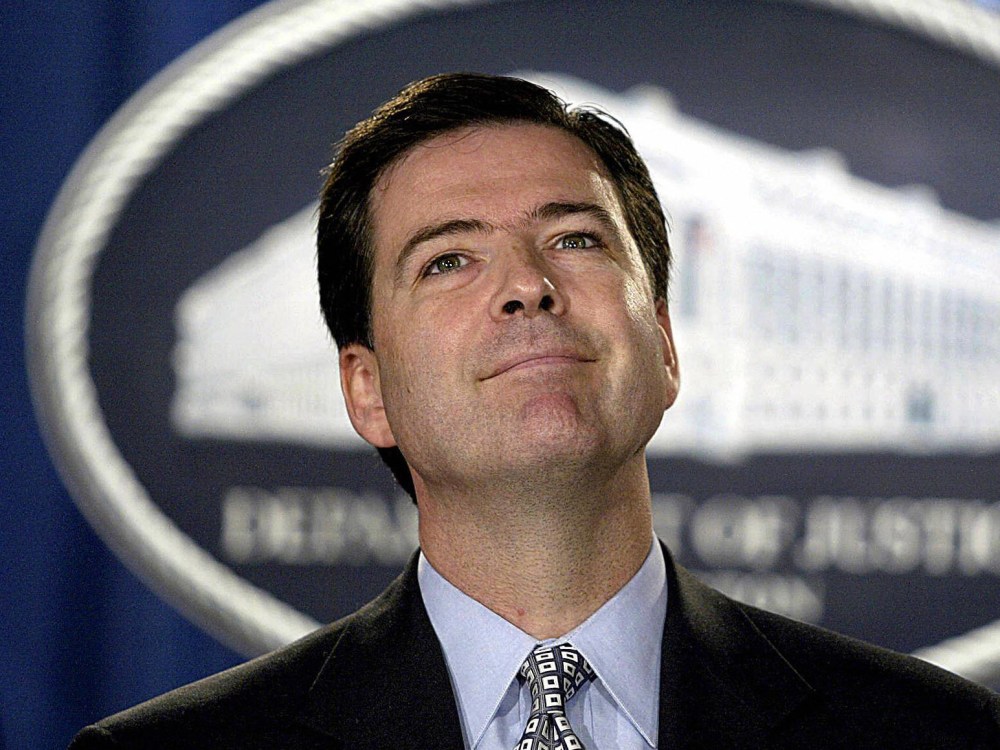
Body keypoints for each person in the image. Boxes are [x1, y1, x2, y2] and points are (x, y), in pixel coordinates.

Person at [70, 73, 1000, 749]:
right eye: (447, 260)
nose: (527, 285)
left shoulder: (937, 735)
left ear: (666, 348)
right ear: (367, 389)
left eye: (574, 238)